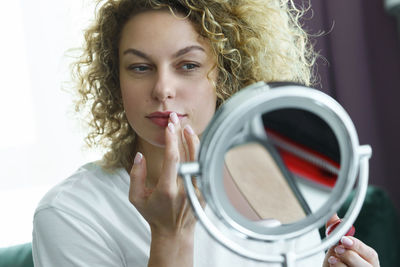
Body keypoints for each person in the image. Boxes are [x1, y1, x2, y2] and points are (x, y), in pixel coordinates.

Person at [32, 0, 380, 266]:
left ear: (226, 75)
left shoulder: (277, 183)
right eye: (140, 67)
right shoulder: (70, 213)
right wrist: (170, 235)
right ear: (115, 79)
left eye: (188, 65)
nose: (163, 89)